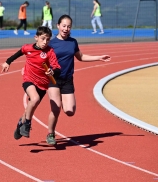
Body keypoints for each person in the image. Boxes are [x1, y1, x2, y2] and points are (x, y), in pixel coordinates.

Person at [46, 15, 111, 145]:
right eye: (63, 26)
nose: (66, 28)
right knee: (56, 108)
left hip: (67, 80)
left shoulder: (73, 42)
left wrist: (99, 58)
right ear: (58, 26)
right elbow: (41, 59)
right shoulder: (51, 44)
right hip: (53, 79)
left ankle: (62, 101)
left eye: (68, 26)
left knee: (70, 111)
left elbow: (80, 57)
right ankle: (51, 133)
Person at [1, 26, 61, 139]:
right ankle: (27, 124)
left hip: (43, 84)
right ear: (36, 37)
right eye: (43, 38)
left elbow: (57, 67)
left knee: (30, 107)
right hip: (28, 79)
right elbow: (18, 53)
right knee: (35, 99)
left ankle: (21, 123)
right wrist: (7, 62)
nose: (45, 42)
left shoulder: (50, 51)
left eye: (48, 39)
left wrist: (52, 71)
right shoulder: (28, 48)